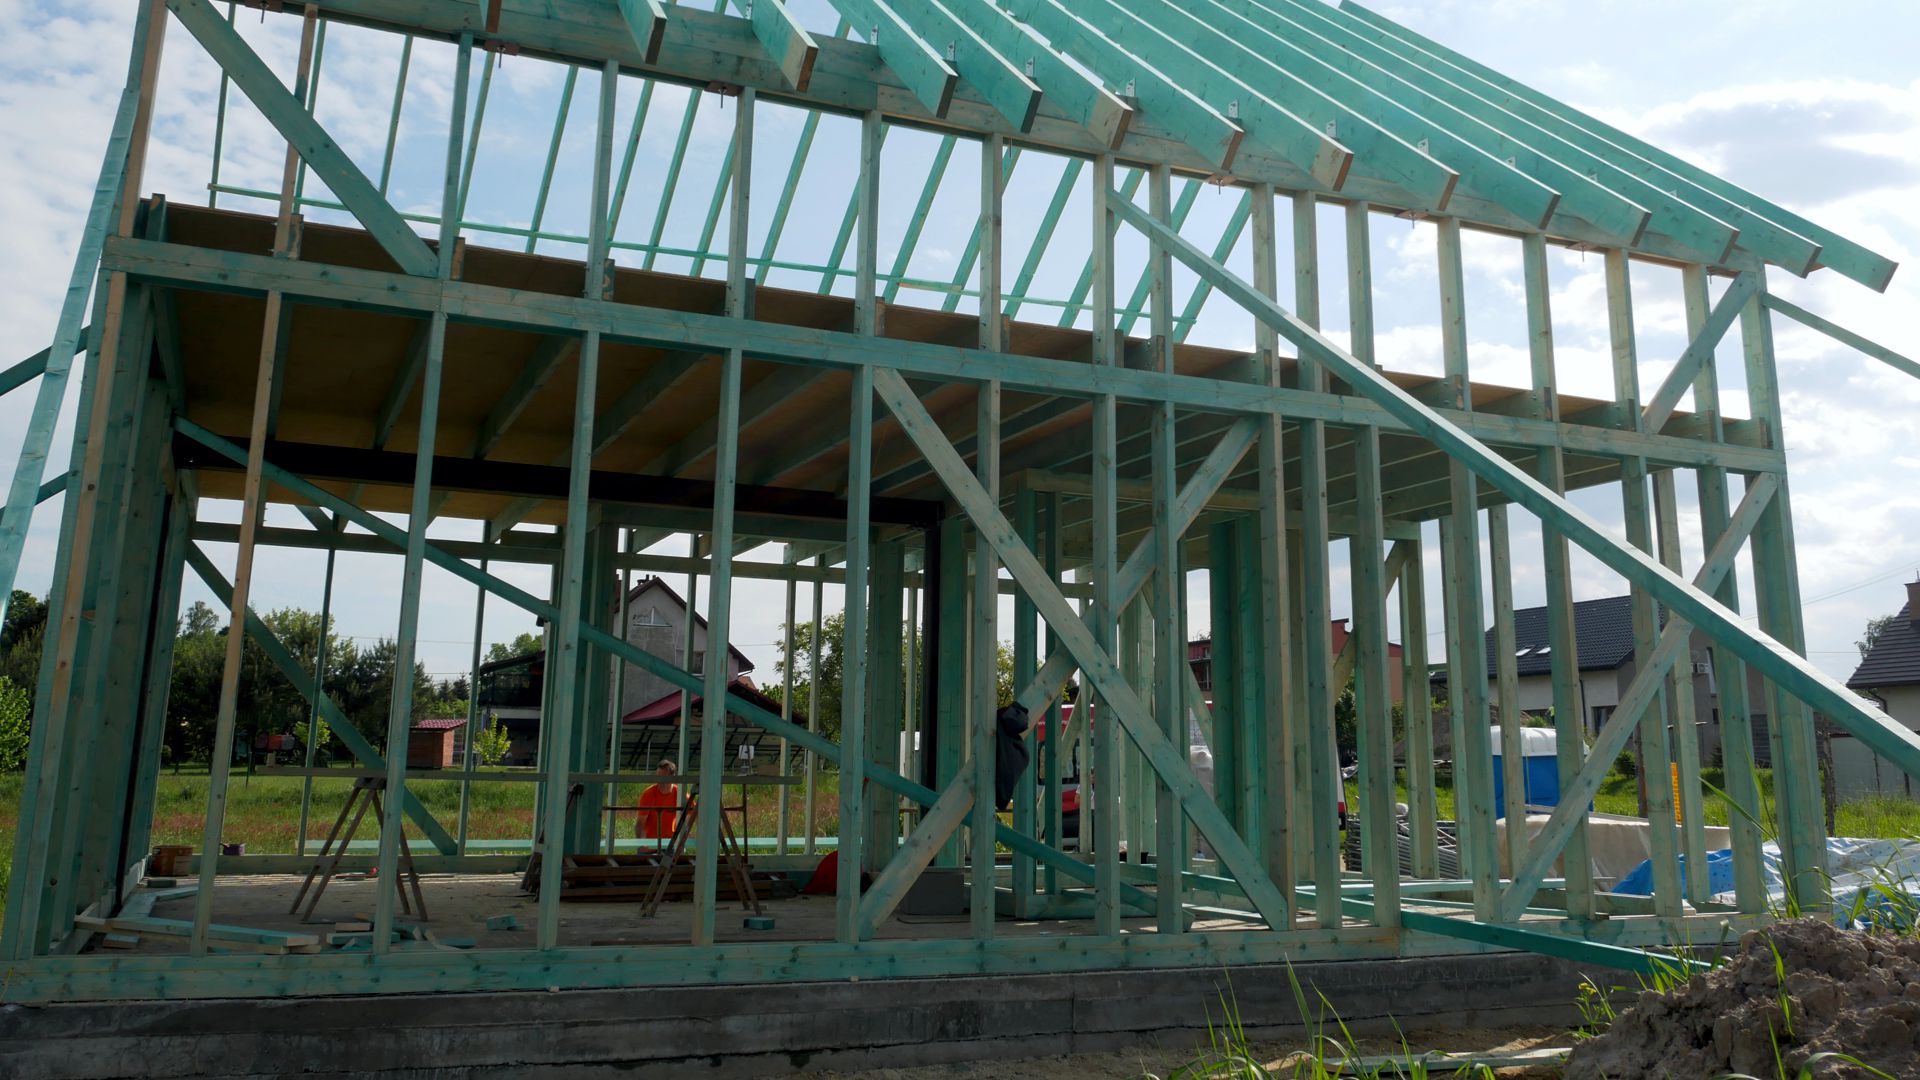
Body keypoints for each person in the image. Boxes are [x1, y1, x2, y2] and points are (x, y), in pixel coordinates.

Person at [635, 760, 680, 845]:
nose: (659, 780)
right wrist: (641, 845)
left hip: (671, 844)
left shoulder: (680, 794)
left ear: (672, 777)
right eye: (658, 776)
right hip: (650, 844)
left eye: (663, 776)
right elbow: (640, 823)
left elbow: (694, 814)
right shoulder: (648, 794)